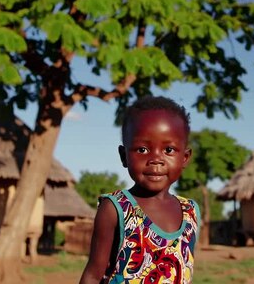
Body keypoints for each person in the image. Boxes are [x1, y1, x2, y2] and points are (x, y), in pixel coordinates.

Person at [79, 96, 200, 284]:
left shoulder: (190, 212)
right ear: (124, 156)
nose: (156, 160)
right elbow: (93, 275)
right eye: (142, 150)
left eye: (168, 150)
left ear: (185, 157)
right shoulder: (116, 208)